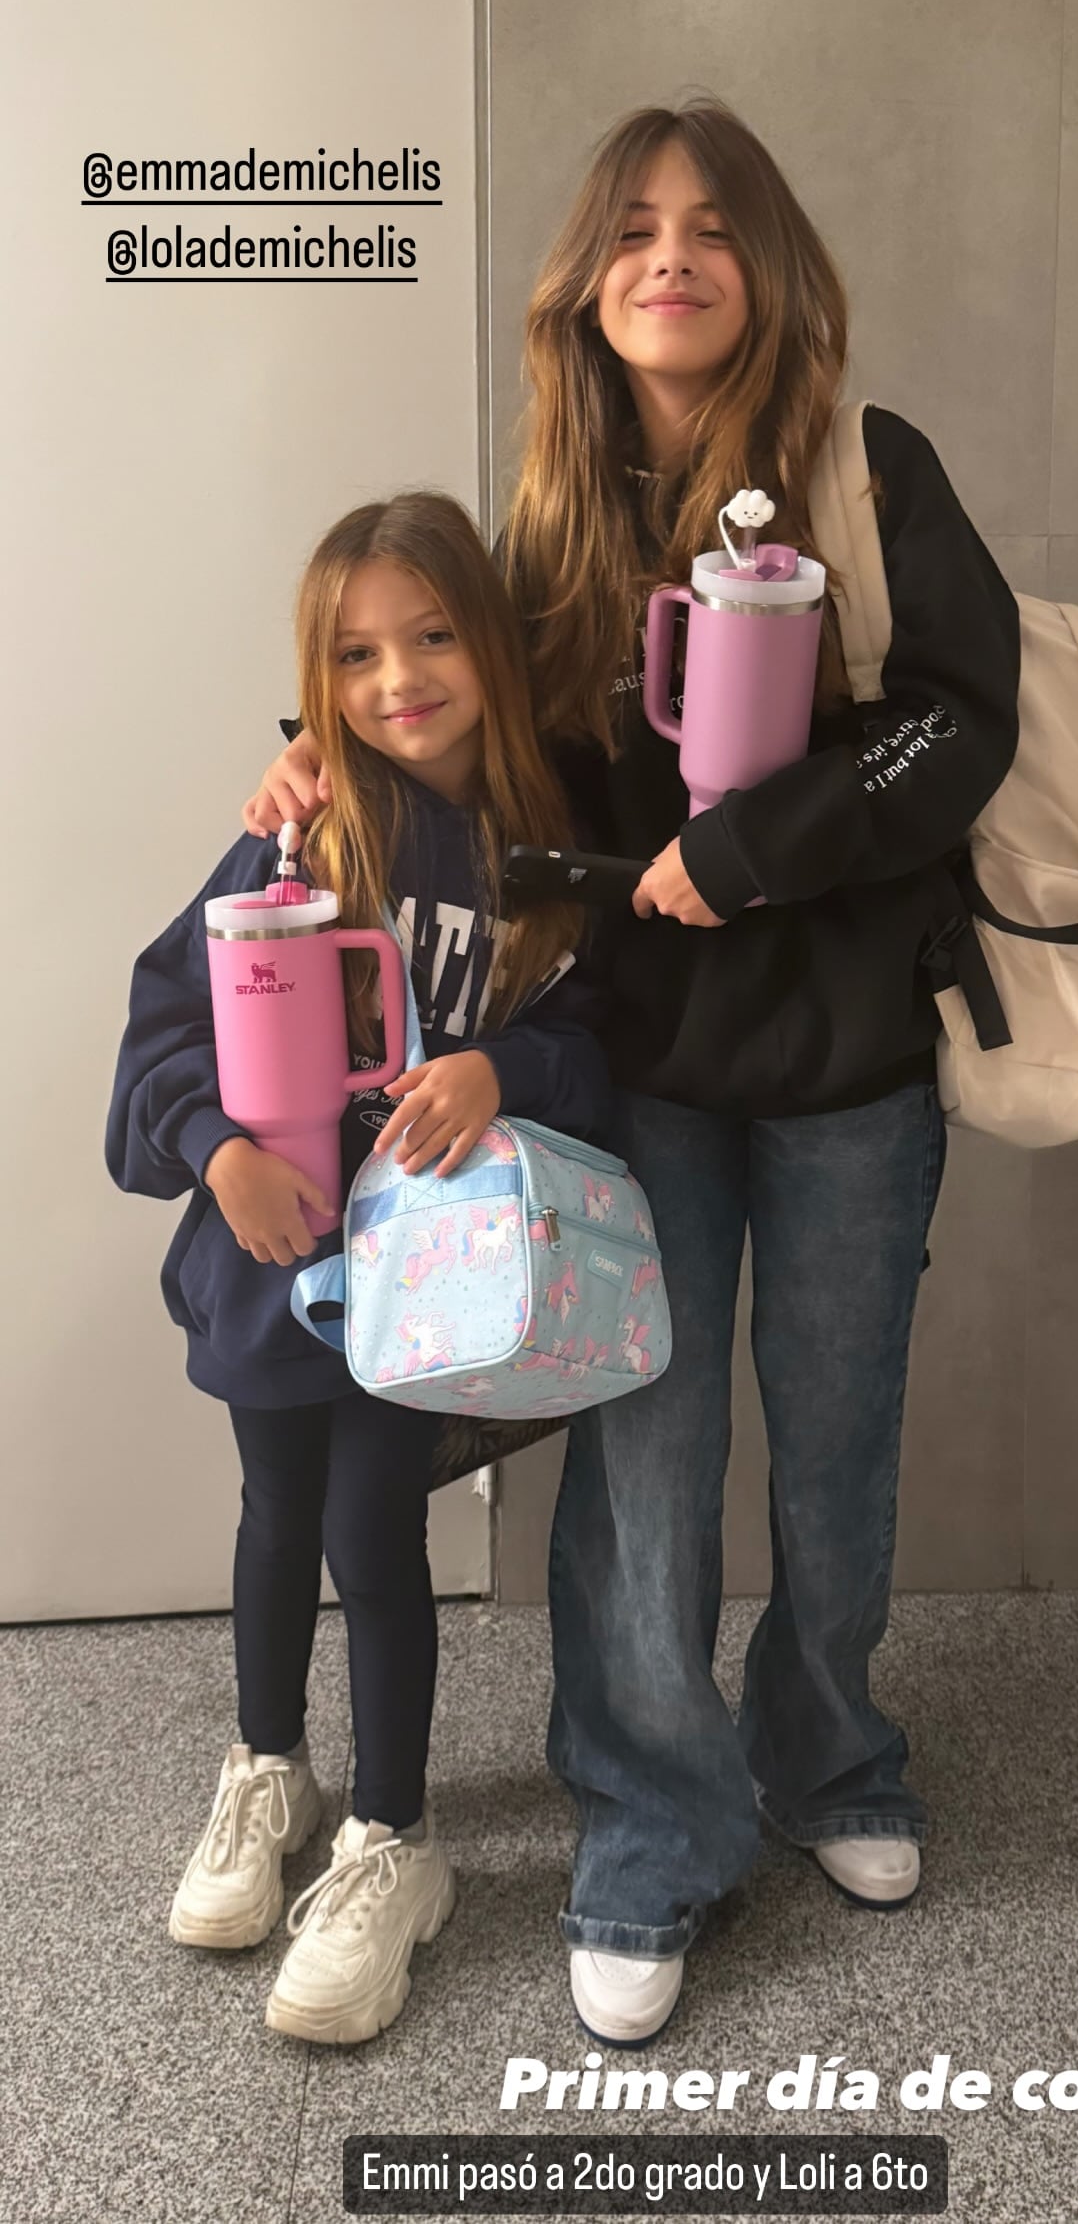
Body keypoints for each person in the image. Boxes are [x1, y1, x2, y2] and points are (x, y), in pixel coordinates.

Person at [243, 100, 1022, 2046]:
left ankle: (832, 1757)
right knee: (650, 1471)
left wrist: (750, 848)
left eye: (713, 227)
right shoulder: (554, 520)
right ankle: (654, 1825)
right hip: (637, 1072)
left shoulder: (866, 472)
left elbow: (964, 723)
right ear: (590, 285)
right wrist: (307, 763)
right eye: (634, 230)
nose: (671, 255)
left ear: (769, 269)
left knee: (835, 1455)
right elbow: (449, 735)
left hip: (852, 1061)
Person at [108, 492, 609, 2045]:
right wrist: (217, 1152)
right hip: (275, 1256)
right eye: (359, 652)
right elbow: (164, 1024)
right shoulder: (305, 825)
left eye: (435, 634)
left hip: (428, 1275)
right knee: (274, 1520)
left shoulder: (551, 839)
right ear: (319, 679)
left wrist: (501, 1071)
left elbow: (609, 1048)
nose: (400, 676)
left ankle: (392, 1837)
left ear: (494, 642)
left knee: (367, 1526)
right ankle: (271, 1770)